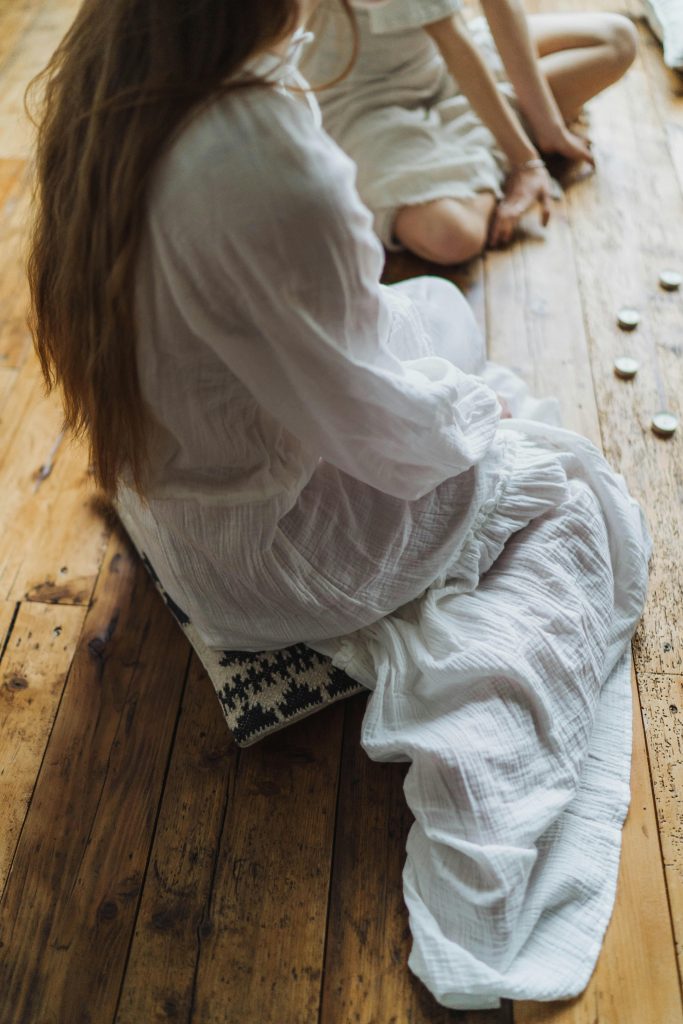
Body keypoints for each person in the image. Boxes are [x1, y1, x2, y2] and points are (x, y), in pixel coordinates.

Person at [27, 0, 650, 1010]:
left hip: (179, 494)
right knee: (568, 494)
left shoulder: (113, 67)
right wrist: (473, 419)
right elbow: (388, 430)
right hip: (270, 556)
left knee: (435, 313)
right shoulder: (262, 151)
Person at [302, 0, 637, 261]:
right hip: (365, 104)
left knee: (617, 40)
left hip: (438, 67)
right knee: (453, 236)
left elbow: (497, 7)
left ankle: (491, 127)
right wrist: (525, 161)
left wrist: (549, 127)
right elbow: (455, 42)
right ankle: (496, 131)